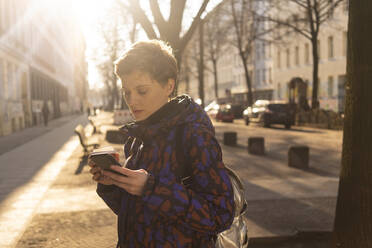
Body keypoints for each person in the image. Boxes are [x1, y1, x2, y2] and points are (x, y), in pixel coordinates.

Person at [88, 40, 235, 247]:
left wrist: (151, 188)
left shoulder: (194, 135)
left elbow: (221, 214)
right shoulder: (137, 139)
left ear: (169, 85)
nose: (132, 101)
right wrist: (112, 184)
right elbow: (135, 212)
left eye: (142, 90)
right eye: (127, 92)